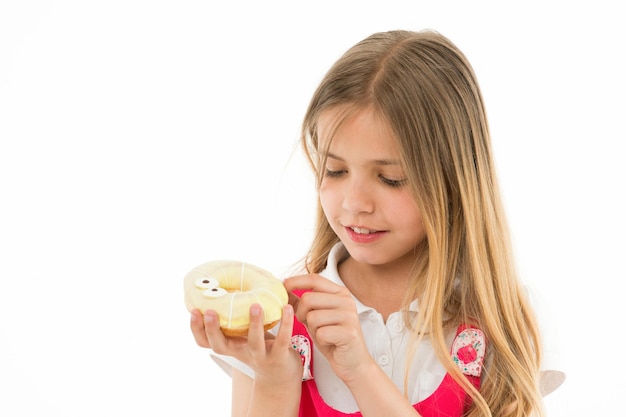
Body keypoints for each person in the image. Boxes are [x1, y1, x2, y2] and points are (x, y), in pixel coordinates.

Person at [190, 29, 564, 417]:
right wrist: (274, 381)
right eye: (334, 170)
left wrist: (360, 371)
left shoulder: (501, 319)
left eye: (390, 179)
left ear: (455, 180)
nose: (354, 203)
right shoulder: (281, 321)